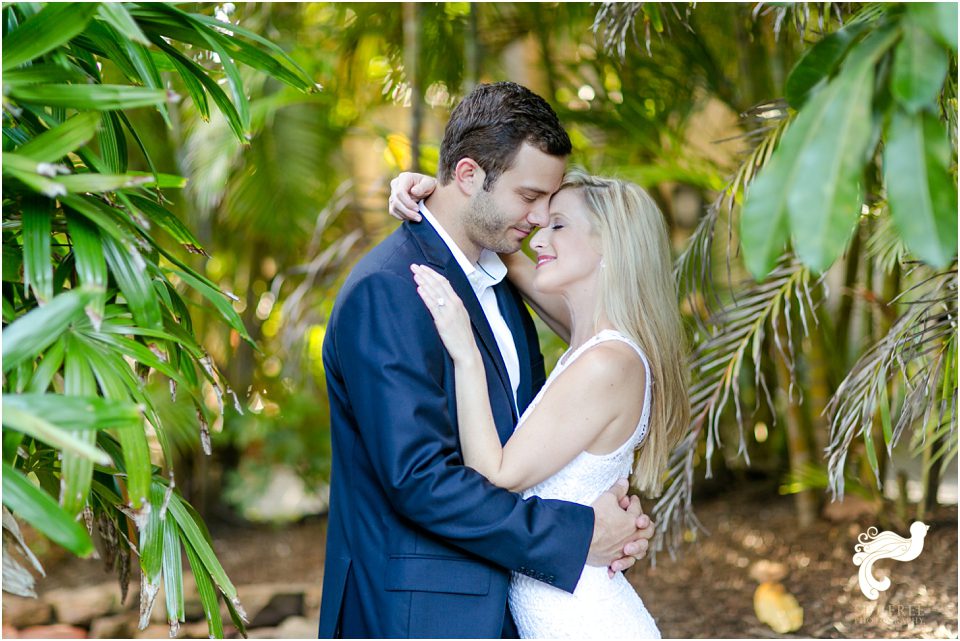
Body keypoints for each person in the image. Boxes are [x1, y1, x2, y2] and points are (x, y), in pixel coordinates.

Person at [318, 82, 656, 639]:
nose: (538, 217)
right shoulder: (390, 289)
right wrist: (575, 535)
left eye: (549, 203)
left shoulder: (501, 282)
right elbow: (418, 479)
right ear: (471, 175)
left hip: (516, 602)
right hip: (421, 615)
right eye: (528, 197)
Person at [396, 168, 689, 638]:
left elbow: (495, 475)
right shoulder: (595, 344)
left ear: (609, 245)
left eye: (558, 225)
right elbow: (498, 250)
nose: (536, 240)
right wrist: (434, 193)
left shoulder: (607, 364)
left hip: (586, 621)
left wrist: (466, 353)